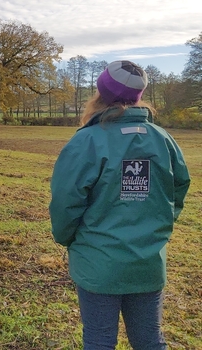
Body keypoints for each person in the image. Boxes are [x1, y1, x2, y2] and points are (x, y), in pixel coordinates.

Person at [49, 60, 190, 349]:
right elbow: (178, 192)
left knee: (99, 340)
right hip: (148, 262)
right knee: (150, 340)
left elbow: (66, 203)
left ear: (100, 93)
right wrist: (156, 228)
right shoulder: (164, 140)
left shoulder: (86, 141)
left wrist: (68, 239)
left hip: (98, 264)